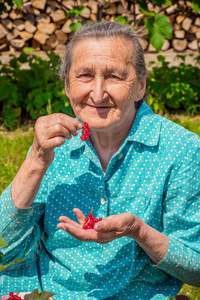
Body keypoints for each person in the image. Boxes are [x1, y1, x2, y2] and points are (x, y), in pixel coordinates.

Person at [0, 22, 200, 300]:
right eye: (84, 76)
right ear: (67, 86)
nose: (97, 93)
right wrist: (35, 161)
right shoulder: (53, 144)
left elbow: (196, 268)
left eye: (114, 76)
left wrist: (138, 231)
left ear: (140, 86)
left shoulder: (181, 150)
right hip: (43, 291)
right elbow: (5, 248)